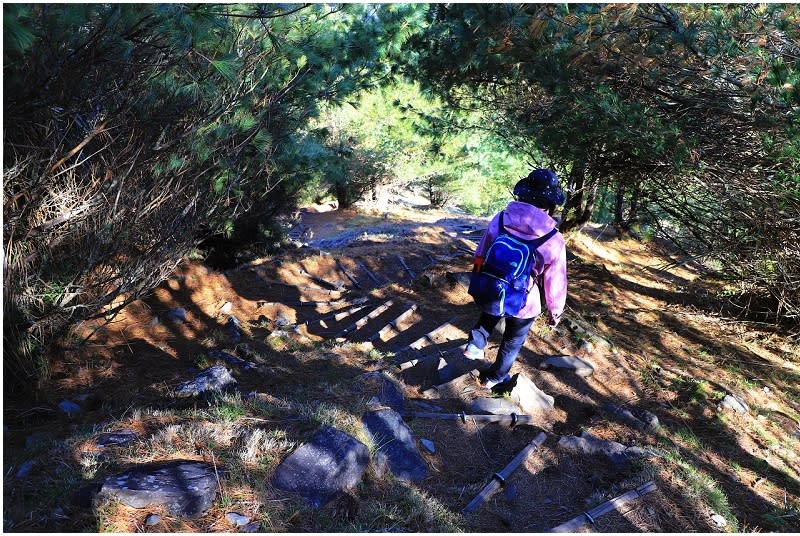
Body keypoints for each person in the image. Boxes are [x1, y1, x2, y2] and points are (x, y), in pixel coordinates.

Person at [463, 168, 568, 389]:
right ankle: (494, 378)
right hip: (525, 300)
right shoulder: (553, 238)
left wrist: (479, 276)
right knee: (512, 341)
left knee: (489, 315)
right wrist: (554, 311)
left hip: (494, 285)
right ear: (550, 205)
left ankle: (475, 343)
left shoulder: (501, 219)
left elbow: (481, 251)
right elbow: (555, 281)